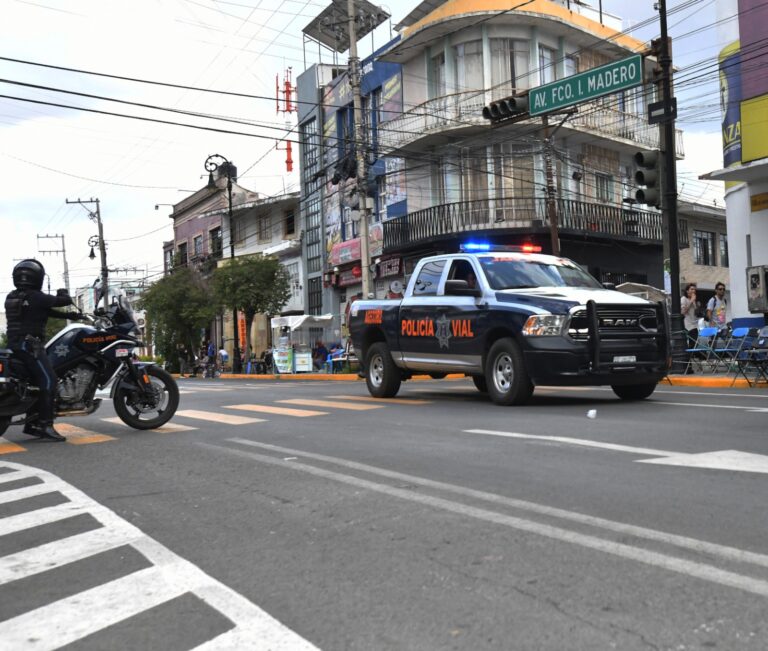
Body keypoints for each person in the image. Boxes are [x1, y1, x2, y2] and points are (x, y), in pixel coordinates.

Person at [4, 259, 79, 441]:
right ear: (37, 278)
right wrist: (64, 294)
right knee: (49, 380)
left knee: (36, 383)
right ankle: (45, 425)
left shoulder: (13, 297)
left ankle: (33, 425)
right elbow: (62, 301)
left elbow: (41, 311)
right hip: (30, 346)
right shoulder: (37, 297)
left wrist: (69, 315)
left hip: (15, 345)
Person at [680, 283, 700, 374]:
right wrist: (691, 301)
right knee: (690, 347)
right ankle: (688, 366)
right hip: (688, 326)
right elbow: (683, 312)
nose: (693, 291)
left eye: (694, 289)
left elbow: (696, 313)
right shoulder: (683, 299)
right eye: (691, 289)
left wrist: (695, 303)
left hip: (695, 325)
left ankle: (689, 366)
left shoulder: (694, 300)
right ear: (687, 291)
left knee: (694, 346)